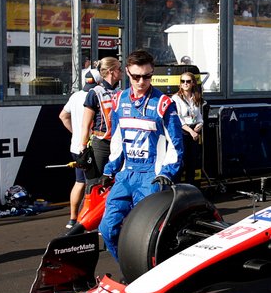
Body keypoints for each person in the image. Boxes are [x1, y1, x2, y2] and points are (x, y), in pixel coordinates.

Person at [97, 50, 185, 264]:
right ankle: (131, 269)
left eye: (147, 76)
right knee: (107, 229)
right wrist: (109, 170)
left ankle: (153, 273)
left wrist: (167, 173)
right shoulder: (119, 100)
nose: (141, 81)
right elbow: (117, 139)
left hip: (151, 176)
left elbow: (176, 144)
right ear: (127, 72)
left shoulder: (164, 103)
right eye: (136, 76)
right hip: (126, 174)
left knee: (147, 235)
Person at [60, 68, 99, 232]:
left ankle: (72, 218)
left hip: (76, 146)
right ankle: (90, 220)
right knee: (95, 184)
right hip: (91, 147)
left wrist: (75, 132)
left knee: (79, 182)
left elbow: (63, 116)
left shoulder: (75, 96)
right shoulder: (97, 95)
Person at [79, 56, 123, 192]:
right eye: (119, 69)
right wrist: (83, 147)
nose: (121, 72)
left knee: (116, 183)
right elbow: (85, 124)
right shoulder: (95, 92)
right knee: (94, 185)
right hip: (101, 144)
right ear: (111, 71)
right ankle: (83, 213)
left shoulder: (120, 93)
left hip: (117, 143)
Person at [172, 71, 204, 184]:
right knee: (181, 162)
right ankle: (176, 190)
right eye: (183, 81)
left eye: (188, 81)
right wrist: (191, 131)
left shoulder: (195, 97)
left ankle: (190, 189)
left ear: (193, 84)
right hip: (183, 132)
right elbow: (179, 118)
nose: (185, 83)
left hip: (194, 130)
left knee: (192, 162)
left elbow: (199, 116)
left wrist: (199, 125)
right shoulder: (176, 98)